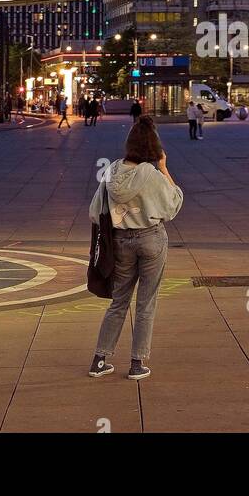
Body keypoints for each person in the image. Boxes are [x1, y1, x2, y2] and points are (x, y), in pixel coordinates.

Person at [88, 116, 182, 381]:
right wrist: (164, 168)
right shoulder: (151, 174)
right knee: (146, 303)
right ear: (153, 147)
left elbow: (96, 211)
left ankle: (99, 360)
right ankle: (137, 363)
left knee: (119, 302)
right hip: (150, 238)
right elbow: (173, 204)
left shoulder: (112, 171)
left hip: (120, 241)